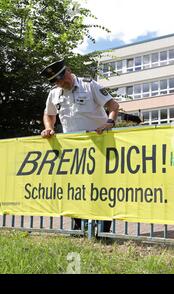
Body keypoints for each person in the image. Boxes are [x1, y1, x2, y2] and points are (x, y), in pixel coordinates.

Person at [40, 59, 119, 233]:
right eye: (56, 81)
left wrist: (109, 122)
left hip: (99, 146)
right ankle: (79, 229)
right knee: (74, 189)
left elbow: (113, 106)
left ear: (68, 70)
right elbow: (49, 114)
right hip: (73, 150)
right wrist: (48, 128)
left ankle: (103, 231)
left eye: (62, 78)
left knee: (101, 189)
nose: (61, 83)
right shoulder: (54, 93)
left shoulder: (89, 85)